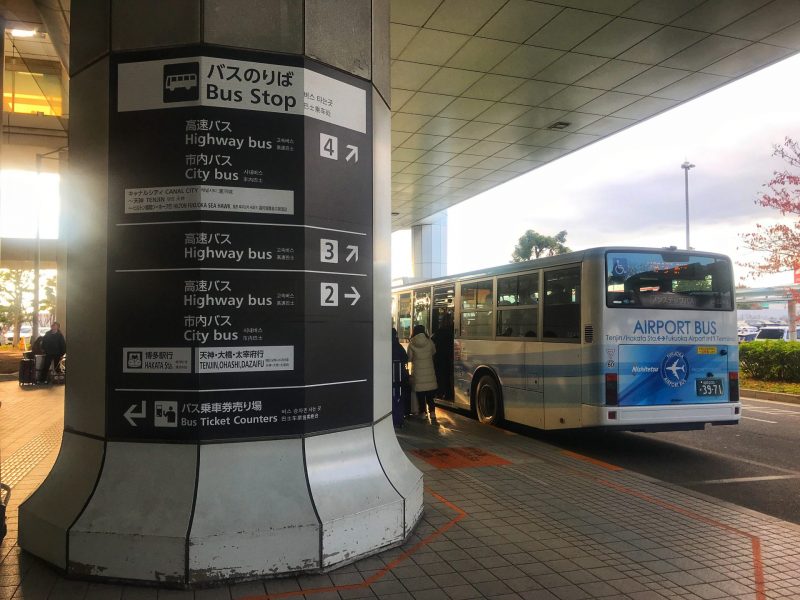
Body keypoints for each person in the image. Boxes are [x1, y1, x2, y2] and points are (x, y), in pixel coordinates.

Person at [407, 324, 438, 422]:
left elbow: (409, 358)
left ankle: (423, 413)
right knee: (430, 395)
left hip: (418, 373)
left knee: (421, 395)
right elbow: (434, 352)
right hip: (429, 373)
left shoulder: (411, 344)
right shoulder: (429, 342)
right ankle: (432, 413)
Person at [431, 314, 454, 401]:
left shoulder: (439, 332)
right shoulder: (453, 331)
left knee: (440, 376)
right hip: (450, 357)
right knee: (448, 377)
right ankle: (449, 394)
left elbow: (434, 342)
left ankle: (440, 393)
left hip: (440, 358)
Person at [391, 328, 409, 428]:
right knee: (398, 397)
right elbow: (405, 359)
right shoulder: (399, 346)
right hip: (399, 377)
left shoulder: (385, 346)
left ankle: (394, 419)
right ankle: (399, 419)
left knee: (392, 398)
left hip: (389, 378)